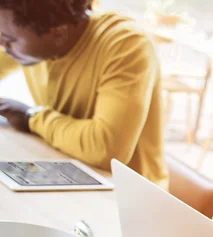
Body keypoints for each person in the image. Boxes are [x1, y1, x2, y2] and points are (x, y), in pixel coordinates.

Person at [0, 0, 168, 188]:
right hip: (65, 170)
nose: (2, 44)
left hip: (129, 196)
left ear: (59, 34)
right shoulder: (31, 34)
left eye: (9, 39)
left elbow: (104, 148)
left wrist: (32, 118)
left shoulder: (125, 44)